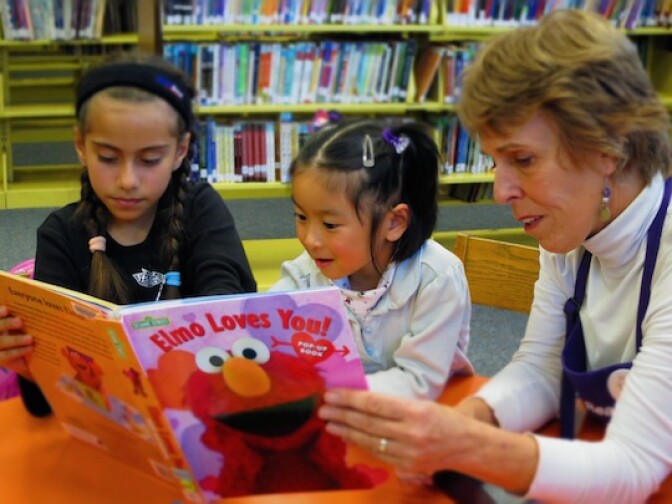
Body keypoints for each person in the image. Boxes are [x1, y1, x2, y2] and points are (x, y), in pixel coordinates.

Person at [317, 10, 672, 502]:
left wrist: (466, 445)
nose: (502, 191)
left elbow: (633, 468)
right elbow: (542, 368)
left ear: (609, 145)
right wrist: (461, 424)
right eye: (497, 163)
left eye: (523, 160)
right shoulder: (577, 228)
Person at [0, 52, 257, 417]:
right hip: (103, 430)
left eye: (150, 160)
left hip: (200, 413)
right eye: (107, 157)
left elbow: (230, 310)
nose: (127, 181)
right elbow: (45, 406)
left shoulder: (200, 209)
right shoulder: (61, 234)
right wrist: (31, 365)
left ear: (181, 150)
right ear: (80, 145)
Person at [270, 119, 473, 401]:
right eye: (301, 217)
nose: (310, 240)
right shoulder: (306, 273)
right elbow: (265, 323)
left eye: (329, 224)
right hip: (341, 414)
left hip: (426, 417)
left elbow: (419, 381)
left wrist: (325, 392)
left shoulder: (437, 278)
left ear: (394, 222)